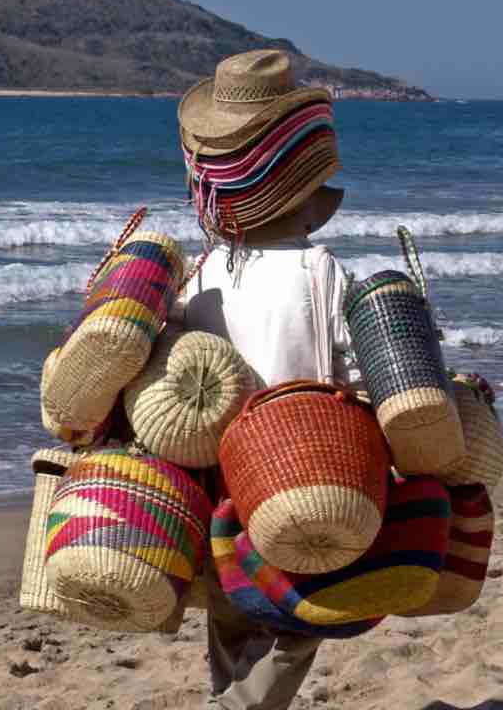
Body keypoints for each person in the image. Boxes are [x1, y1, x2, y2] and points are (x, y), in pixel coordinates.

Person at [175, 49, 362, 710]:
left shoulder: (200, 277)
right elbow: (357, 371)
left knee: (229, 623)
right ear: (306, 198)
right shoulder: (324, 275)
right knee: (298, 624)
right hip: (301, 483)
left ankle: (224, 696)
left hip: (217, 492)